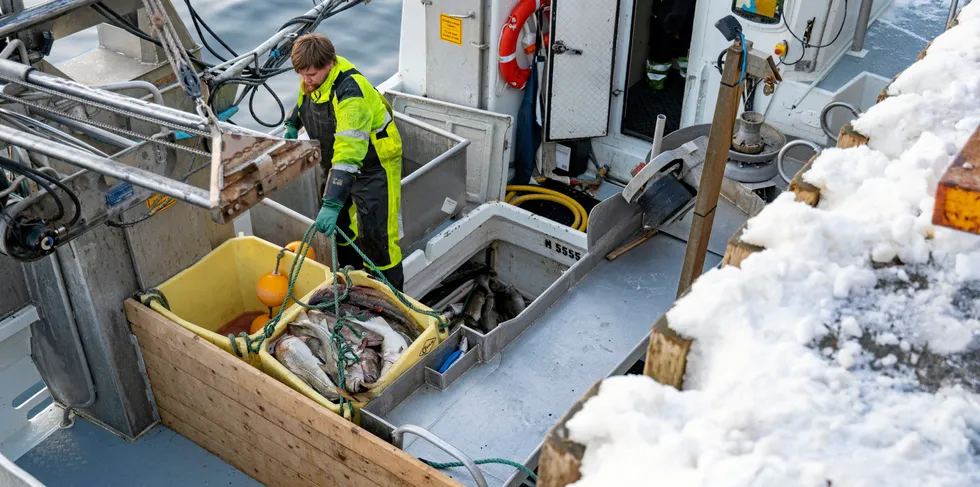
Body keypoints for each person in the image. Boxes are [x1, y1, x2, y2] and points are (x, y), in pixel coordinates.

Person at [283, 33, 405, 290]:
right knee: (339, 226)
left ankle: (391, 297)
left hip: (375, 163)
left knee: (378, 237)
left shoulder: (351, 95)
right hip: (337, 161)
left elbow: (350, 150)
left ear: (329, 64)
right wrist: (292, 124)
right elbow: (303, 100)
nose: (306, 80)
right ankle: (354, 278)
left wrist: (331, 202)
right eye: (302, 74)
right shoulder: (313, 80)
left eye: (311, 74)